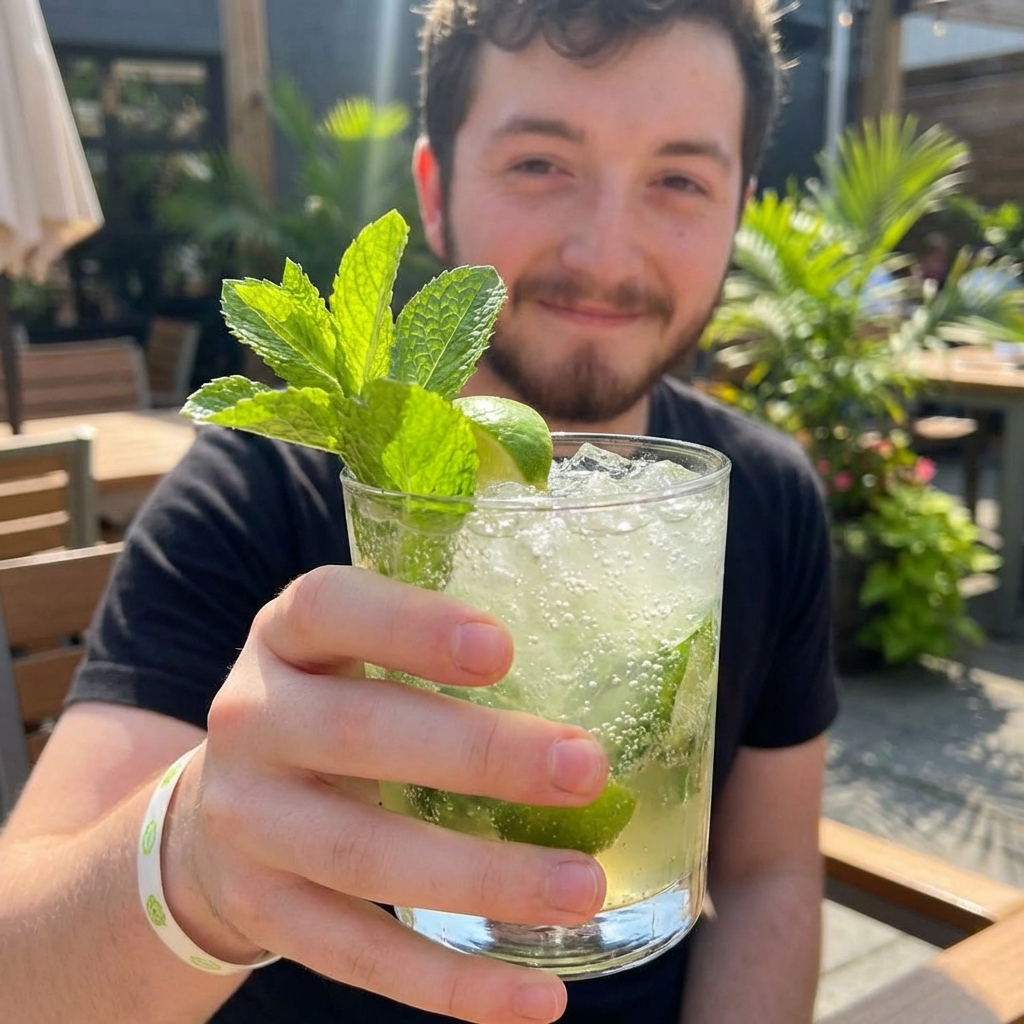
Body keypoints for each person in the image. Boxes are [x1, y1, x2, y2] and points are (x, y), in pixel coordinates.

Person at [0, 2, 837, 1022]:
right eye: (540, 163)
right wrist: (191, 867)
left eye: (678, 179)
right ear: (434, 194)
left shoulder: (765, 497)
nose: (604, 249)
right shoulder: (261, 493)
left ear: (738, 208)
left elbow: (766, 873)